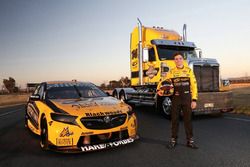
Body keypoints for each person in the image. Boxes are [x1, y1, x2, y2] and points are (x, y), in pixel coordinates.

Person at [166, 52, 198, 149]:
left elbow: (194, 85)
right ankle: (173, 140)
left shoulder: (189, 71)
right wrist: (161, 91)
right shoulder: (171, 72)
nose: (178, 60)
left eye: (180, 58)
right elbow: (165, 85)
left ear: (182, 60)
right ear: (174, 61)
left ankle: (190, 141)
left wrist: (194, 99)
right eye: (176, 59)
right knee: (174, 120)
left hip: (187, 98)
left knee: (188, 120)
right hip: (175, 99)